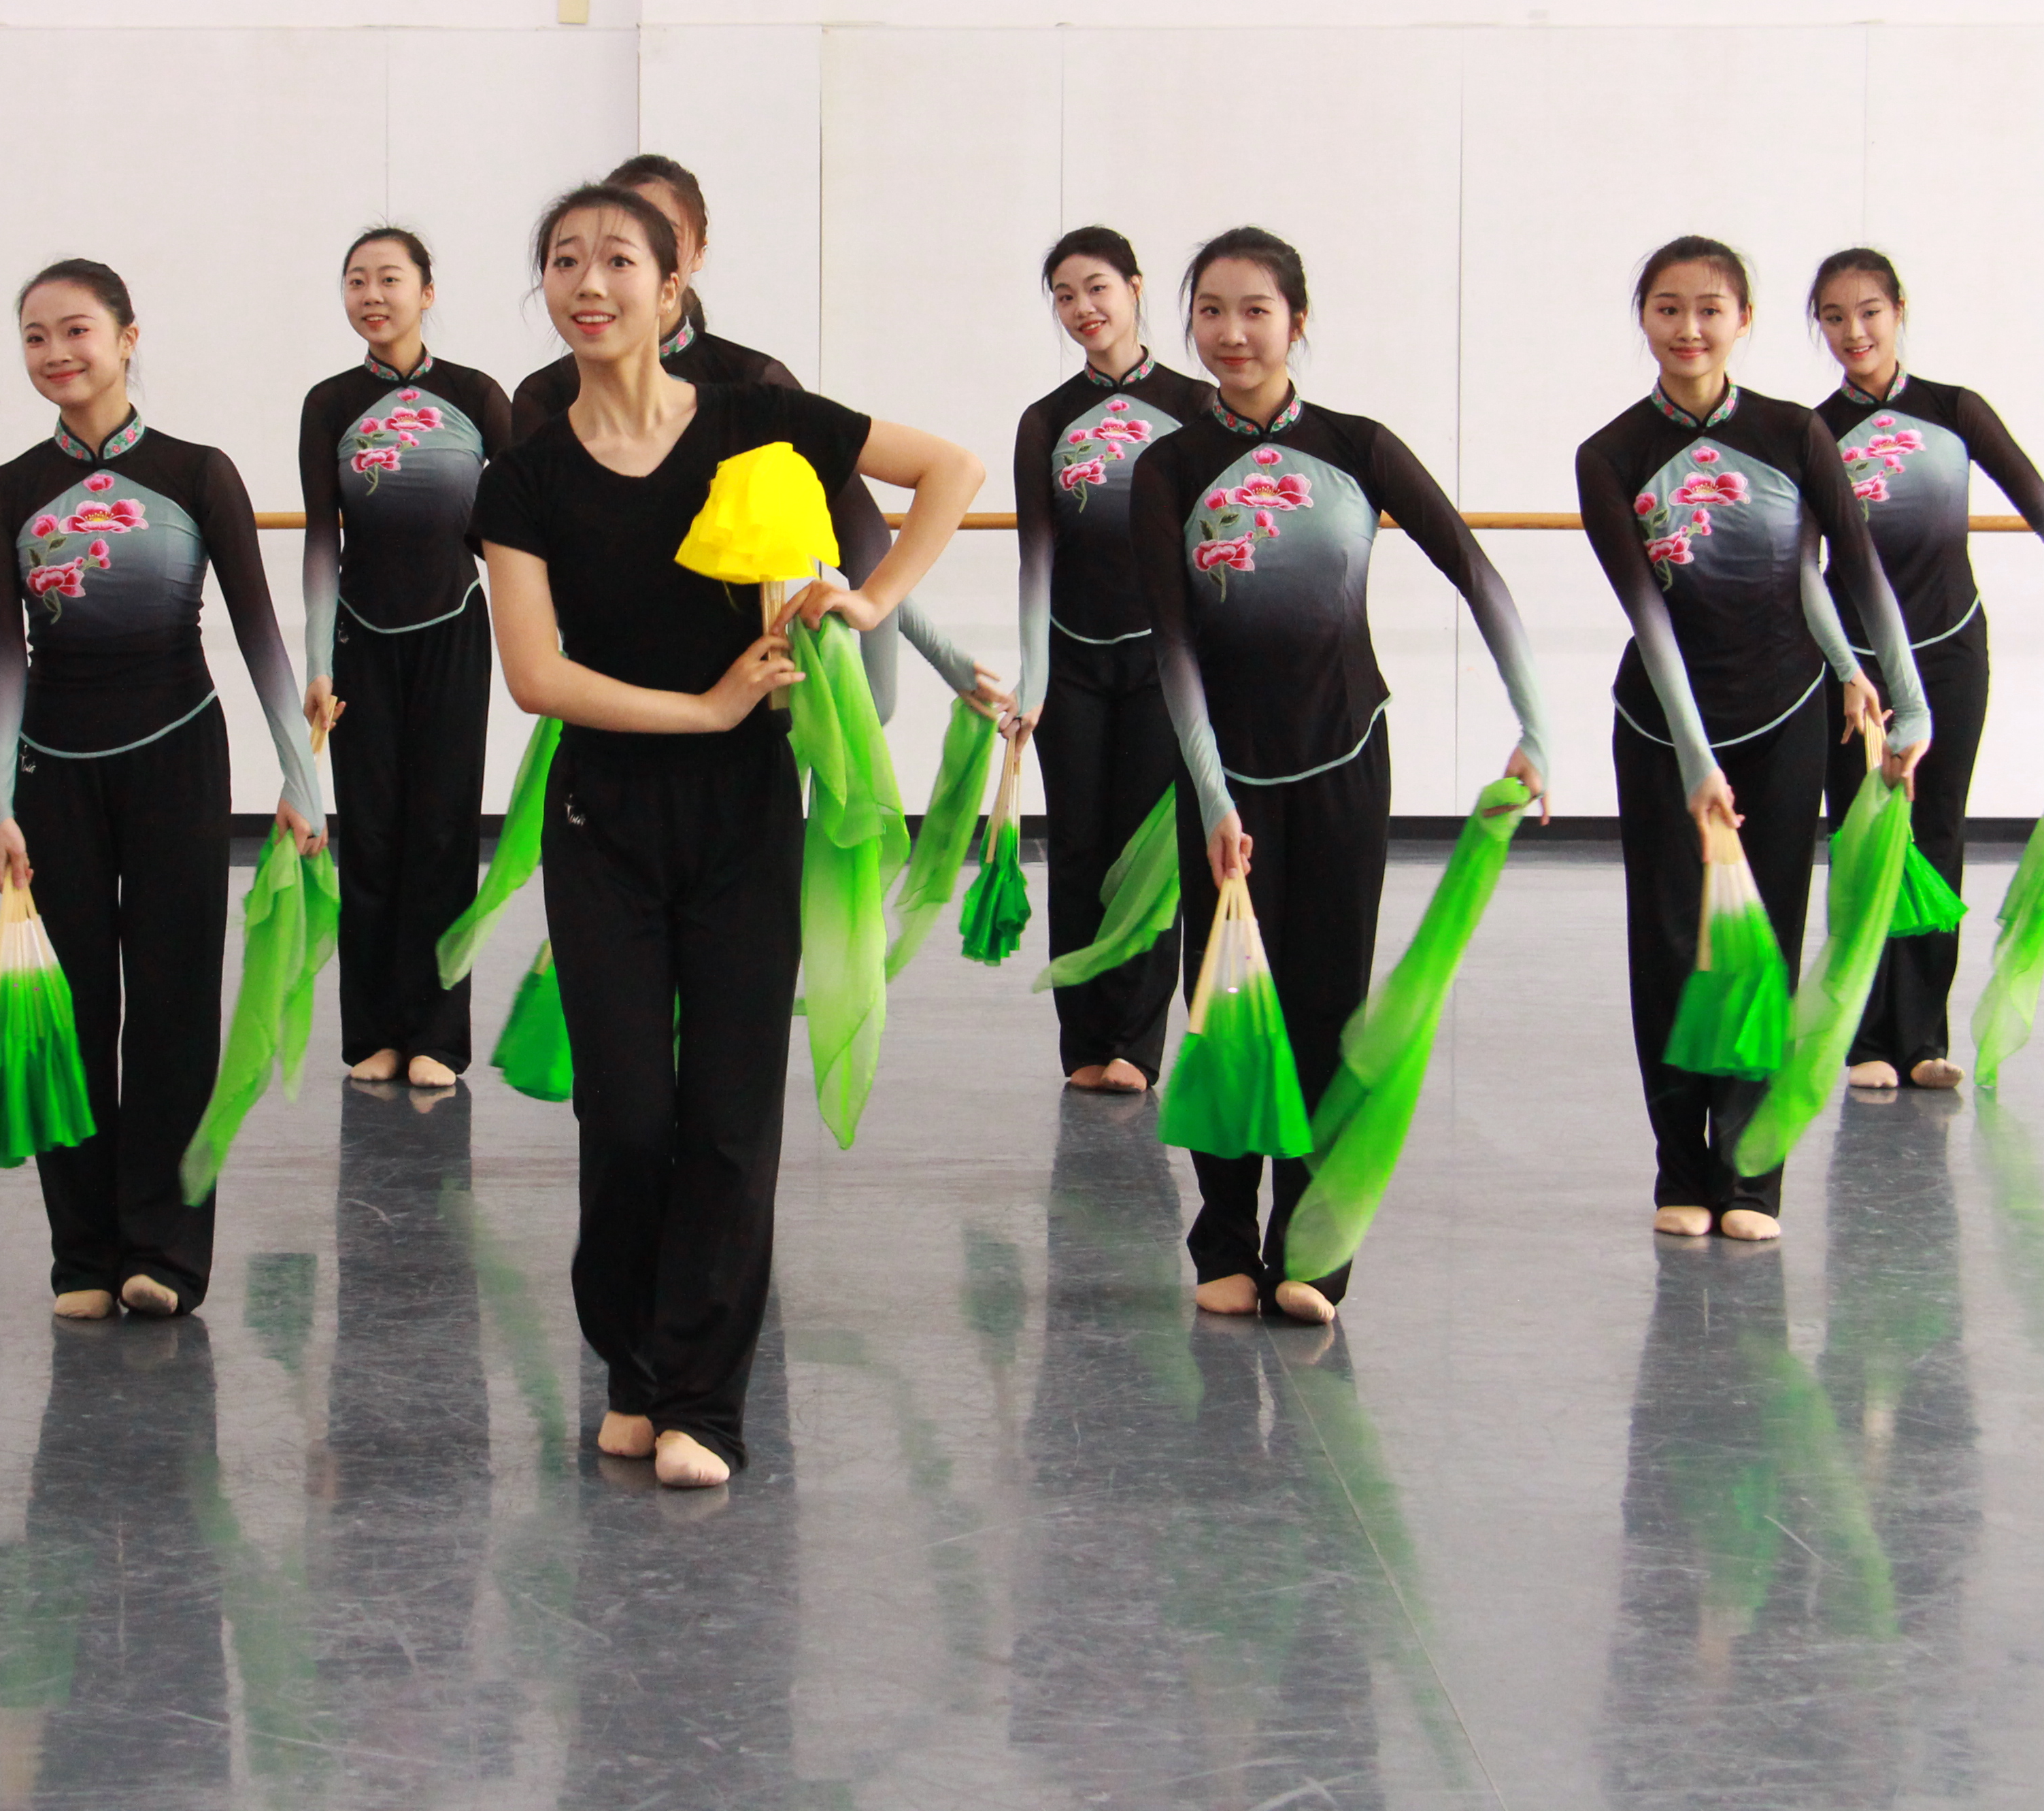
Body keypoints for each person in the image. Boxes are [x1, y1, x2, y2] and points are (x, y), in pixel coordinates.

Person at [474, 182, 982, 1487]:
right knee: (624, 1115)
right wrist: (701, 707)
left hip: (744, 813)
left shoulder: (753, 417)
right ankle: (631, 1369)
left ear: (670, 285)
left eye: (616, 260)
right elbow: (534, 675)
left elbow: (948, 471)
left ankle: (702, 1398)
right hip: (601, 813)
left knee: (727, 1115)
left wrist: (869, 601)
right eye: (563, 261)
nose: (588, 283)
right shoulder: (523, 474)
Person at [1133, 229, 1552, 1323]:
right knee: (1226, 1004)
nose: (1232, 333)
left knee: (1328, 1006)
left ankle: (1311, 1248)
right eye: (1211, 311)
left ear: (1298, 321)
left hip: (1346, 760)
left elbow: (1477, 572)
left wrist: (1537, 729)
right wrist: (1213, 797)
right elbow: (1172, 647)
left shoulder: (1357, 446)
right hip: (1226, 778)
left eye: (1256, 310)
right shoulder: (1169, 466)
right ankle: (1225, 1239)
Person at [0, 259, 324, 1323]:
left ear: (128, 338)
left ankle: (164, 1250)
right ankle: (81, 1254)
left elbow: (259, 635)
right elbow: (1, 663)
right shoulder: (3, 495)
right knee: (71, 1013)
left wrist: (300, 780)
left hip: (178, 758)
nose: (57, 354)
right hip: (54, 773)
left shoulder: (197, 473)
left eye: (77, 330)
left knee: (174, 1007)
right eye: (36, 337)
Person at [1575, 237, 1927, 1243]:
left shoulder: (1792, 432)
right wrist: (1695, 759)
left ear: (1744, 320)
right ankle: (1680, 1166)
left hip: (1782, 723)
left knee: (1762, 941)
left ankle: (1751, 1173)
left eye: (1710, 309)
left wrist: (1908, 704)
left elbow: (1852, 572)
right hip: (1661, 729)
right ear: (1644, 318)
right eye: (1668, 309)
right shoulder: (1609, 454)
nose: (1689, 329)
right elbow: (1647, 614)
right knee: (1672, 945)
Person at [1810, 247, 2044, 1089]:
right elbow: (1800, 566)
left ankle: (1924, 1037)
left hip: (1951, 652)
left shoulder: (1954, 410)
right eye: (1834, 318)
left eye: (1869, 312)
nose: (1854, 332)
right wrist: (1841, 667)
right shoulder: (1812, 431)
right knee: (1863, 838)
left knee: (1936, 830)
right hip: (1856, 671)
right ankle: (1865, 1037)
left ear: (1899, 310)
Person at [510, 152, 1005, 720]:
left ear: (687, 261)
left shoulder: (753, 391)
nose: (599, 277)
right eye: (579, 256)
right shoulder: (542, 405)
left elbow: (867, 527)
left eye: (646, 242)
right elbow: (548, 620)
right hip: (618, 703)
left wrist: (900, 630)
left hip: (744, 698)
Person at [297, 227, 512, 1090]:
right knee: (373, 833)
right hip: (360, 637)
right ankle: (374, 1033)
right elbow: (322, 540)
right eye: (357, 281)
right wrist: (318, 662)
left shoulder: (476, 394)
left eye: (390, 279)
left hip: (454, 627)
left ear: (427, 292)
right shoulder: (329, 402)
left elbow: (514, 535)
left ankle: (439, 1037)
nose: (372, 295)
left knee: (444, 832)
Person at [1011, 227, 1220, 1093]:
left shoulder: (1199, 407)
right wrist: (1031, 679)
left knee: (1148, 854)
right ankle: (1083, 1043)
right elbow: (1035, 557)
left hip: (1164, 666)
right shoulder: (1046, 420)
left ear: (1134, 287)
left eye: (1096, 288)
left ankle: (1135, 1042)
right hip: (1074, 665)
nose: (1082, 309)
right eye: (1064, 295)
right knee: (1078, 851)